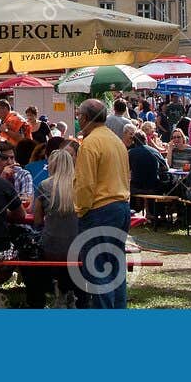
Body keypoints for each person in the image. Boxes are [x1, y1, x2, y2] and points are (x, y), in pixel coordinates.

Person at [73, 98, 132, 308]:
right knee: (116, 267)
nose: (78, 119)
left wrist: (81, 210)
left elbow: (85, 185)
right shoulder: (116, 141)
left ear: (86, 118)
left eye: (79, 115)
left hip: (99, 210)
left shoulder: (89, 144)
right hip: (121, 207)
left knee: (98, 269)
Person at [27, 146, 80, 307]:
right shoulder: (81, 185)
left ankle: (40, 299)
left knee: (31, 245)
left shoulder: (44, 185)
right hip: (79, 248)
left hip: (51, 248)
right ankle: (67, 291)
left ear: (52, 165)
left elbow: (37, 220)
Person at [128, 130, 174, 196]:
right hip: (154, 187)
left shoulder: (131, 153)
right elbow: (166, 168)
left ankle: (135, 206)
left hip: (136, 188)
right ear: (145, 139)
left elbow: (126, 170)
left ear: (133, 141)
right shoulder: (155, 151)